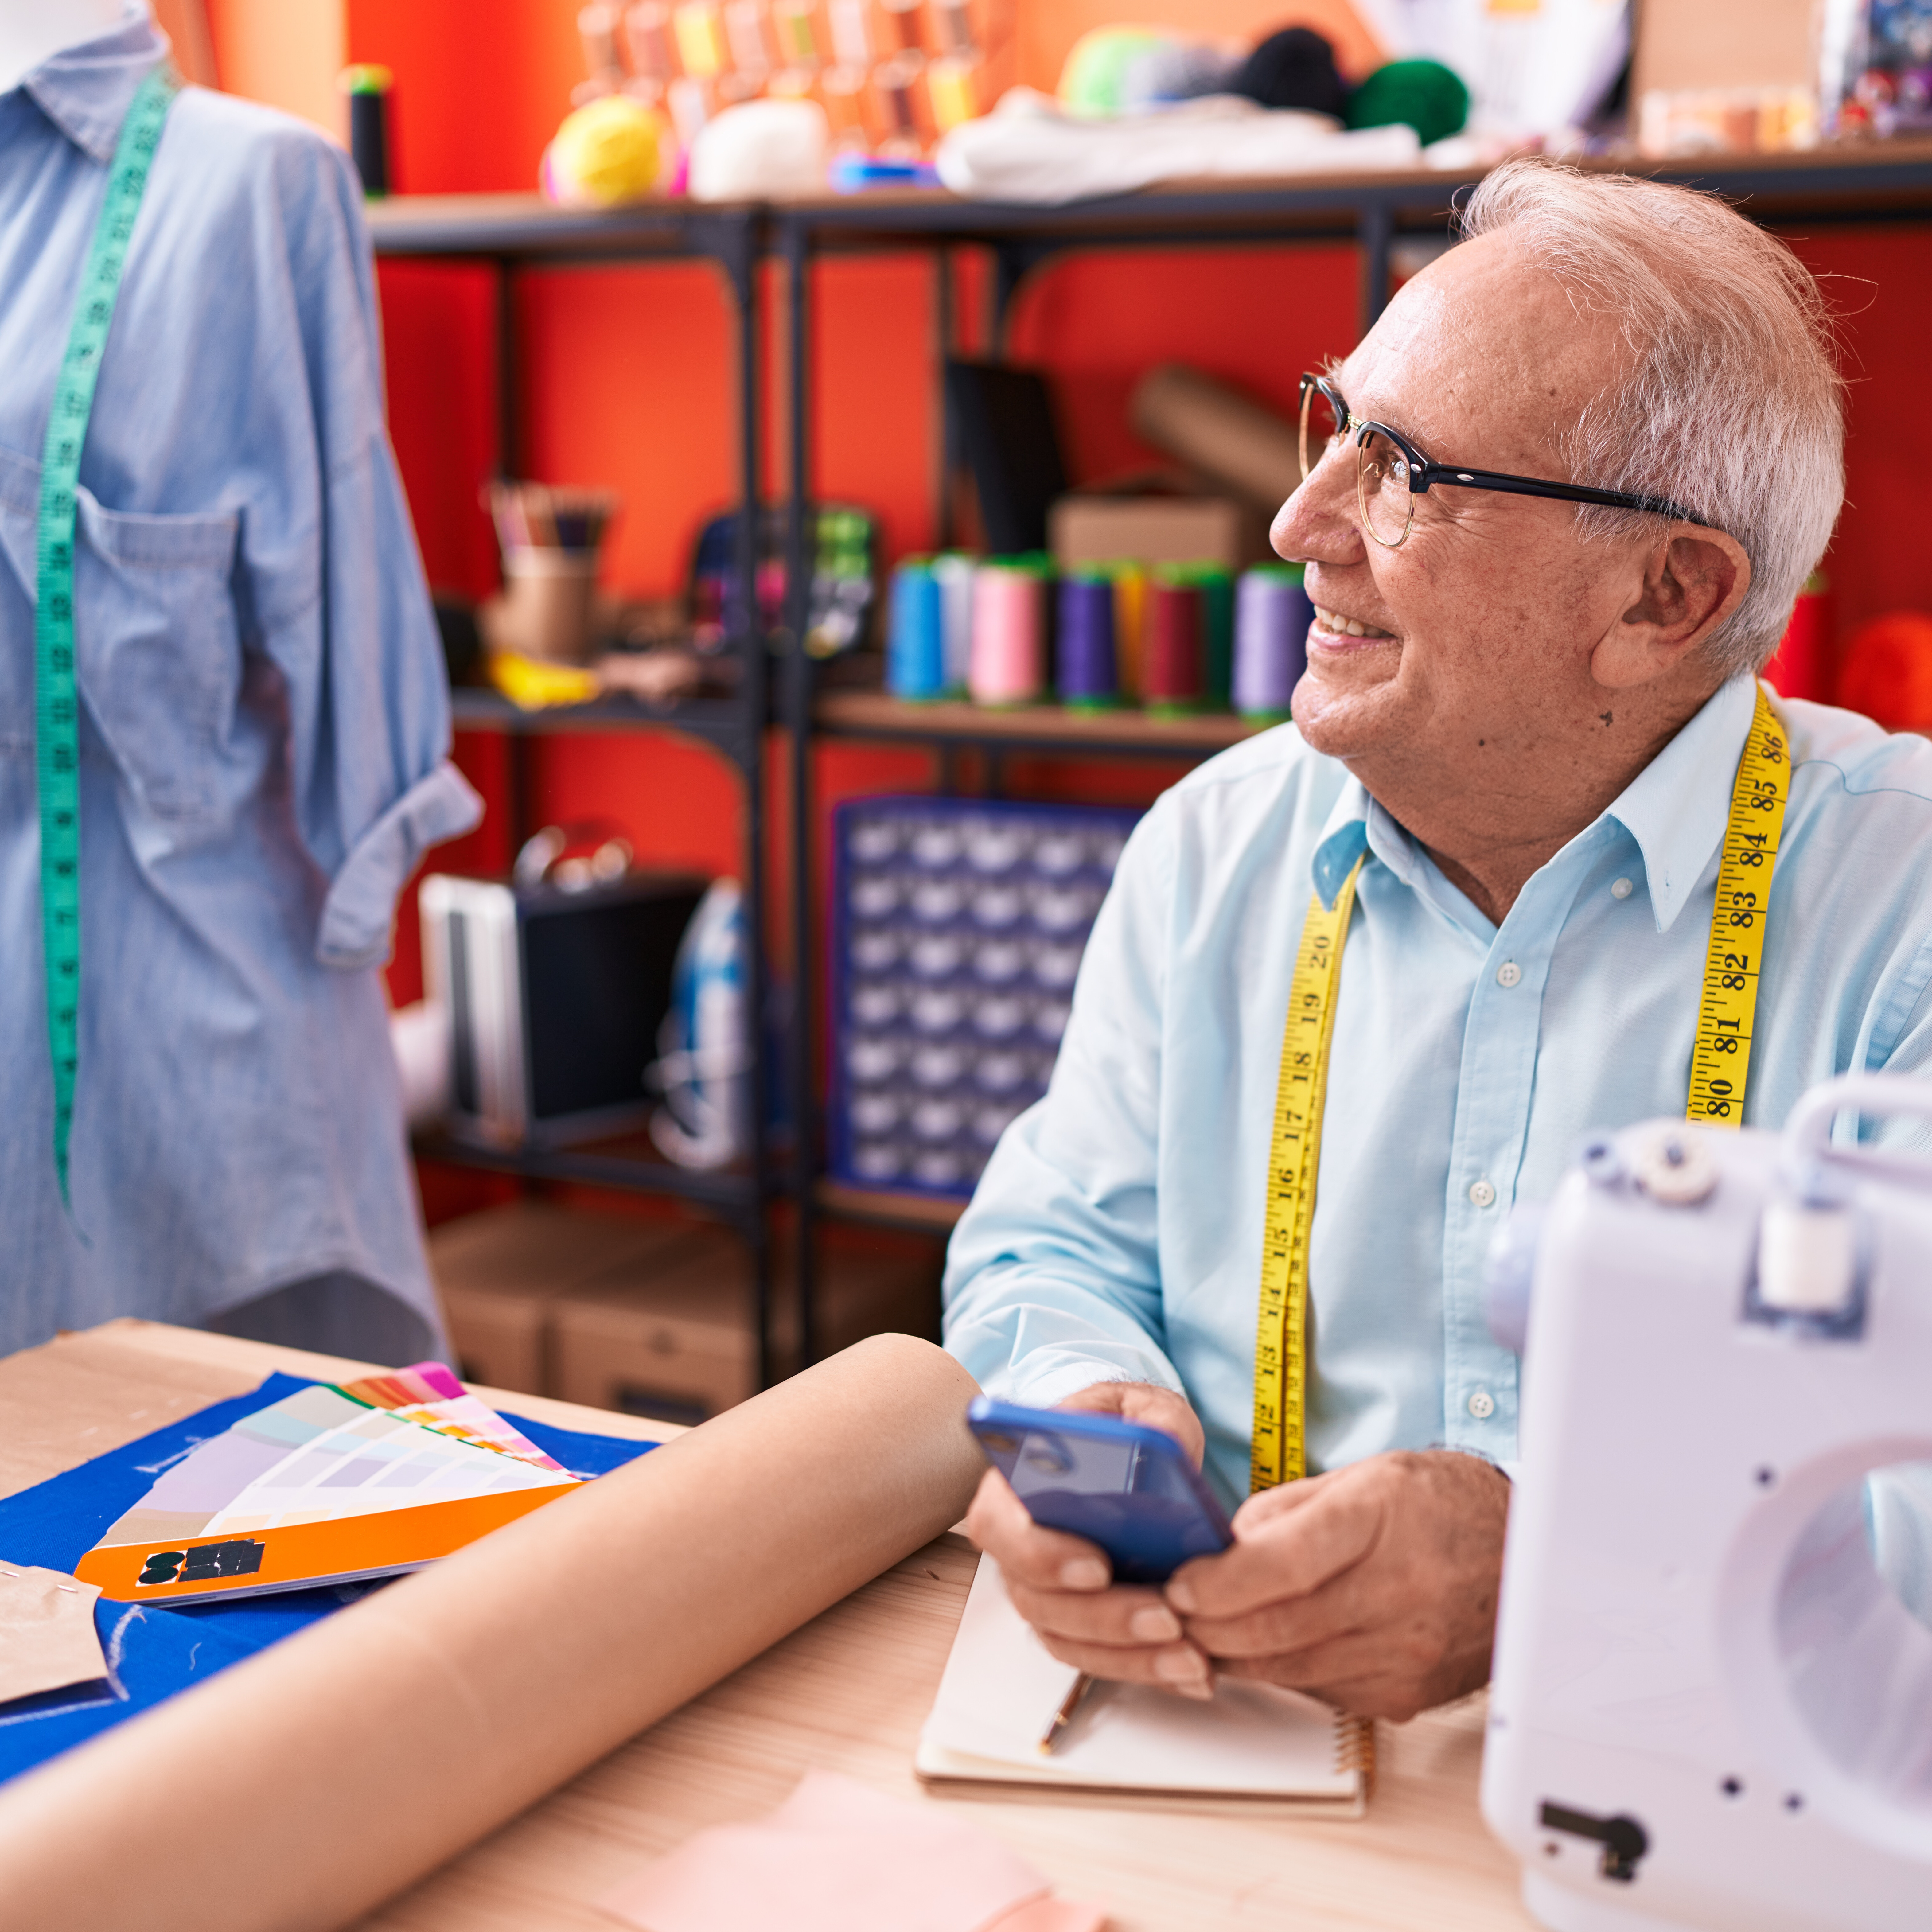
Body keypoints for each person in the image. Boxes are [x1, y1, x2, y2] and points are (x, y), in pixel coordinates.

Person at [945, 157, 1932, 1720]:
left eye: (1403, 472)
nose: (1295, 522)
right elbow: (1049, 1240)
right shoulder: (1212, 846)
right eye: (1332, 424)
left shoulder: (1905, 919)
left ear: (1669, 596)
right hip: (1240, 1731)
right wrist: (1085, 1405)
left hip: (1716, 1768)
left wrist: (1563, 1567)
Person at [1, 5, 478, 1361]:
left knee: (249, 1457)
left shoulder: (252, 183)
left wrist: (369, 871)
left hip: (197, 1025)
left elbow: (345, 613)